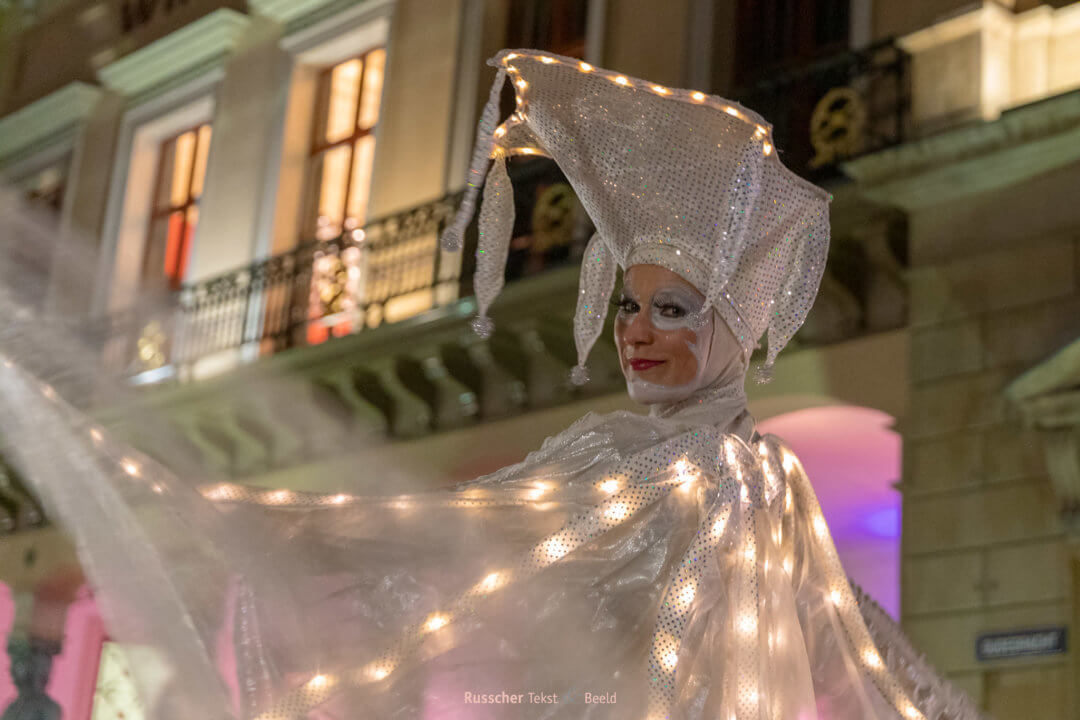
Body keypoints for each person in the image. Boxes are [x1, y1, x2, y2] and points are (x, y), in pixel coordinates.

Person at [0, 50, 989, 720]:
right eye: (627, 310)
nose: (638, 333)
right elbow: (470, 524)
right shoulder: (620, 457)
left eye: (673, 311)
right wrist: (252, 515)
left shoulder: (750, 476)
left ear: (732, 327)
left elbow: (850, 642)